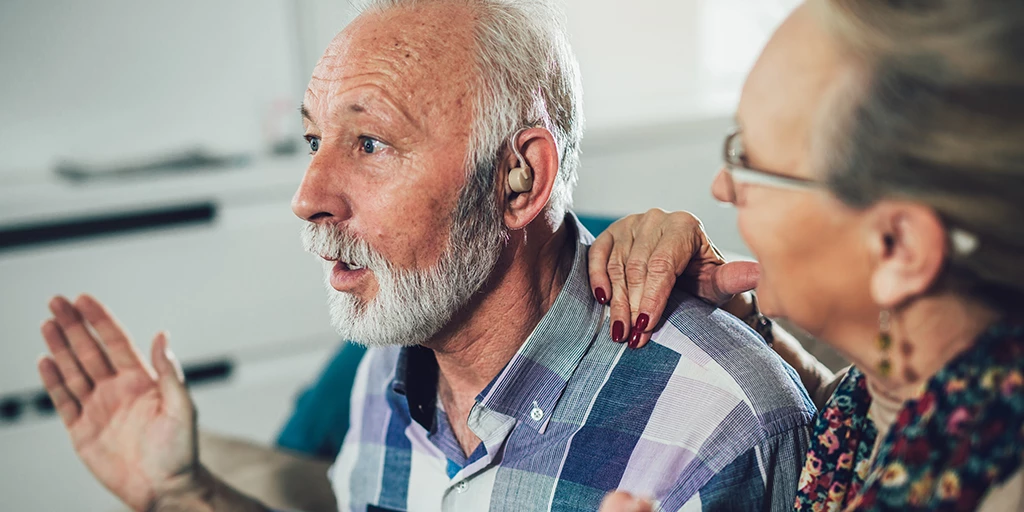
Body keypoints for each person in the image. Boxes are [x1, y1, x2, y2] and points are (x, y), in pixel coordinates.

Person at [33, 0, 814, 511]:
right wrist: (182, 492)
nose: (309, 194)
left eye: (370, 143)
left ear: (519, 179)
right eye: (315, 139)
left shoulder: (722, 432)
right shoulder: (387, 371)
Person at [595, 0, 1024, 510]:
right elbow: (862, 421)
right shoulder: (911, 396)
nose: (723, 186)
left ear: (899, 249)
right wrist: (740, 319)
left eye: (749, 161)